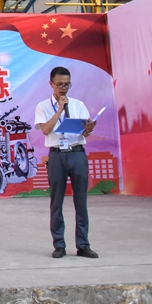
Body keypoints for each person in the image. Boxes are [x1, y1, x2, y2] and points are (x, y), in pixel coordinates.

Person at [34, 66, 98, 259]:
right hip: (57, 155)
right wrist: (60, 109)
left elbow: (84, 132)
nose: (63, 88)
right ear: (51, 84)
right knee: (57, 202)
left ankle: (83, 245)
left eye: (67, 84)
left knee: (81, 202)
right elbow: (45, 130)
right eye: (60, 84)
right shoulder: (43, 106)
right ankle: (59, 245)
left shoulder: (78, 104)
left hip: (77, 153)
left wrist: (88, 129)